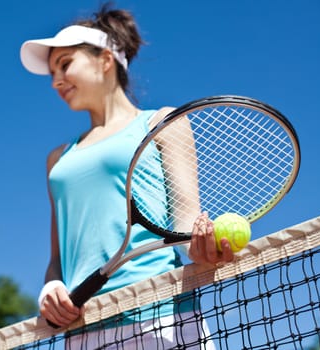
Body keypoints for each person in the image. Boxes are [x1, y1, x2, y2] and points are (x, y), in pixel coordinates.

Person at [20, 4, 234, 348]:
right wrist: (51, 289)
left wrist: (204, 247)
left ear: (105, 60)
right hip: (85, 329)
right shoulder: (58, 160)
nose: (56, 81)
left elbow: (185, 224)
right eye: (52, 74)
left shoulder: (162, 123)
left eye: (65, 64)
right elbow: (58, 261)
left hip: (162, 316)